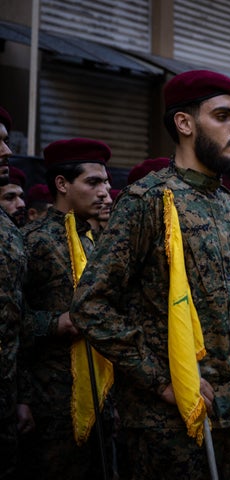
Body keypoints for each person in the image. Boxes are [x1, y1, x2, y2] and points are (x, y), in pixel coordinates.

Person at [70, 70, 230, 479]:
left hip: (223, 420)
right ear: (184, 123)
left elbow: (229, 322)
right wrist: (162, 380)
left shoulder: (226, 205)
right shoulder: (148, 200)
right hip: (164, 427)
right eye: (223, 116)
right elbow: (90, 305)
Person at [21, 137, 113, 479]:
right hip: (52, 402)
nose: (105, 191)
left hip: (102, 398)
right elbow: (10, 322)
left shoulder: (97, 244)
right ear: (62, 184)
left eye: (105, 181)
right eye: (93, 182)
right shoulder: (34, 242)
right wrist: (52, 324)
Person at [0, 106, 32, 480]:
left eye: (6, 141)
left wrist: (20, 395)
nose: (8, 152)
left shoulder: (8, 232)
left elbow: (15, 319)